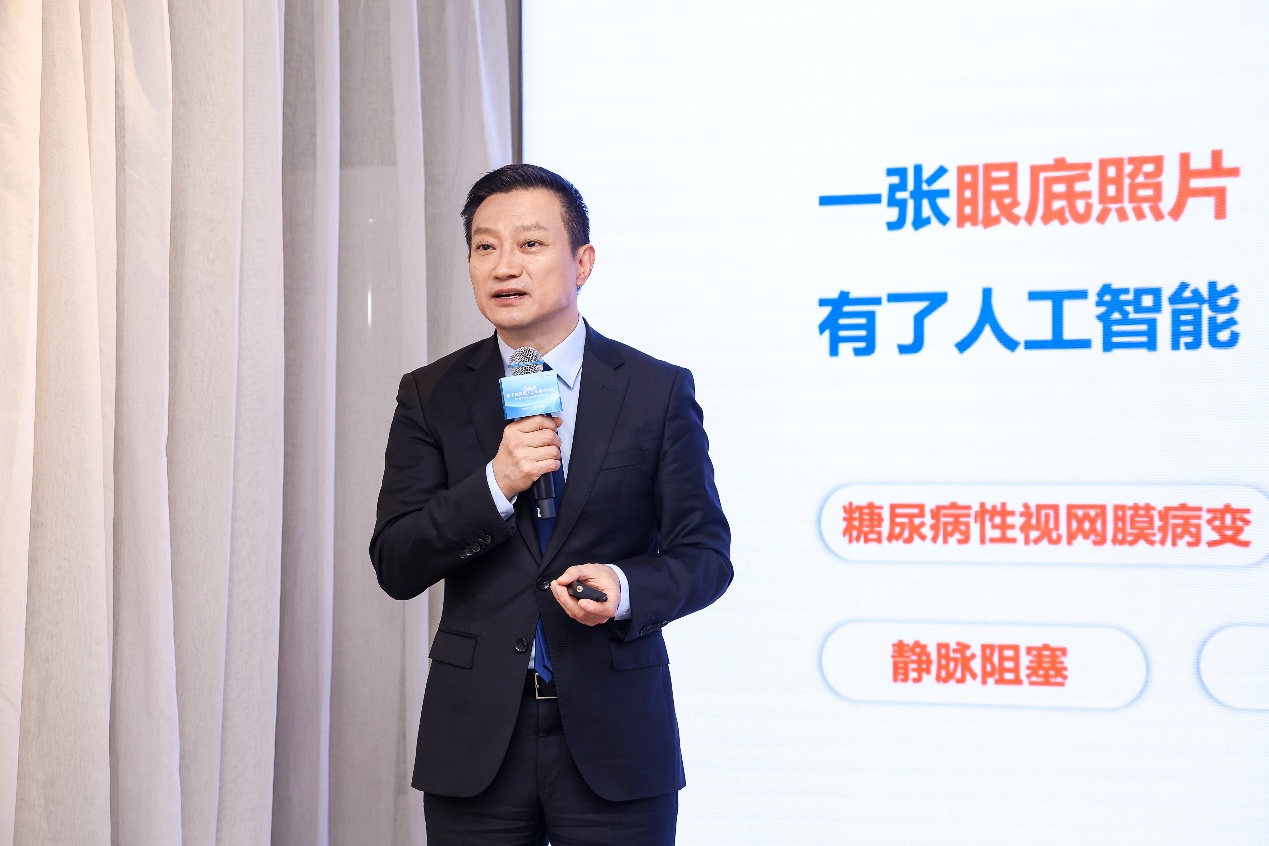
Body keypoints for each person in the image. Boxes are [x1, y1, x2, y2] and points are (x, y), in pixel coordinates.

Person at [369, 164, 732, 845]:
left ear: (582, 262)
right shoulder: (430, 394)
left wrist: (624, 587)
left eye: (530, 244)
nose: (504, 265)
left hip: (617, 736)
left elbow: (705, 556)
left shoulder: (654, 391)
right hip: (476, 741)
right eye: (484, 246)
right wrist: (494, 485)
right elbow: (396, 560)